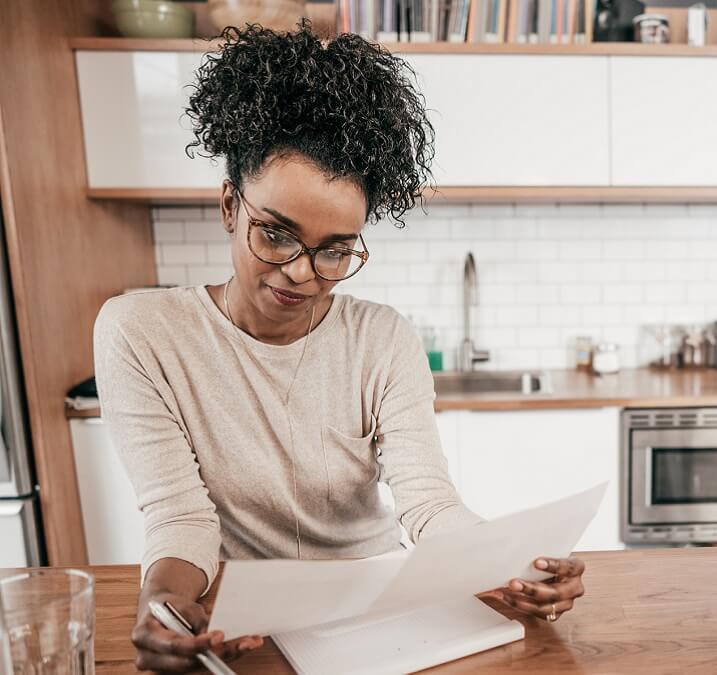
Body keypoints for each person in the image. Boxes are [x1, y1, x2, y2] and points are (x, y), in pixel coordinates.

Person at [93, 22, 585, 672]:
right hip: (248, 628)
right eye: (275, 234)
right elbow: (180, 516)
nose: (301, 271)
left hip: (380, 614)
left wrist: (511, 566)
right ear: (227, 206)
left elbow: (428, 501)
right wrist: (160, 603)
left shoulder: (383, 339)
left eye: (335, 249)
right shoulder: (141, 332)